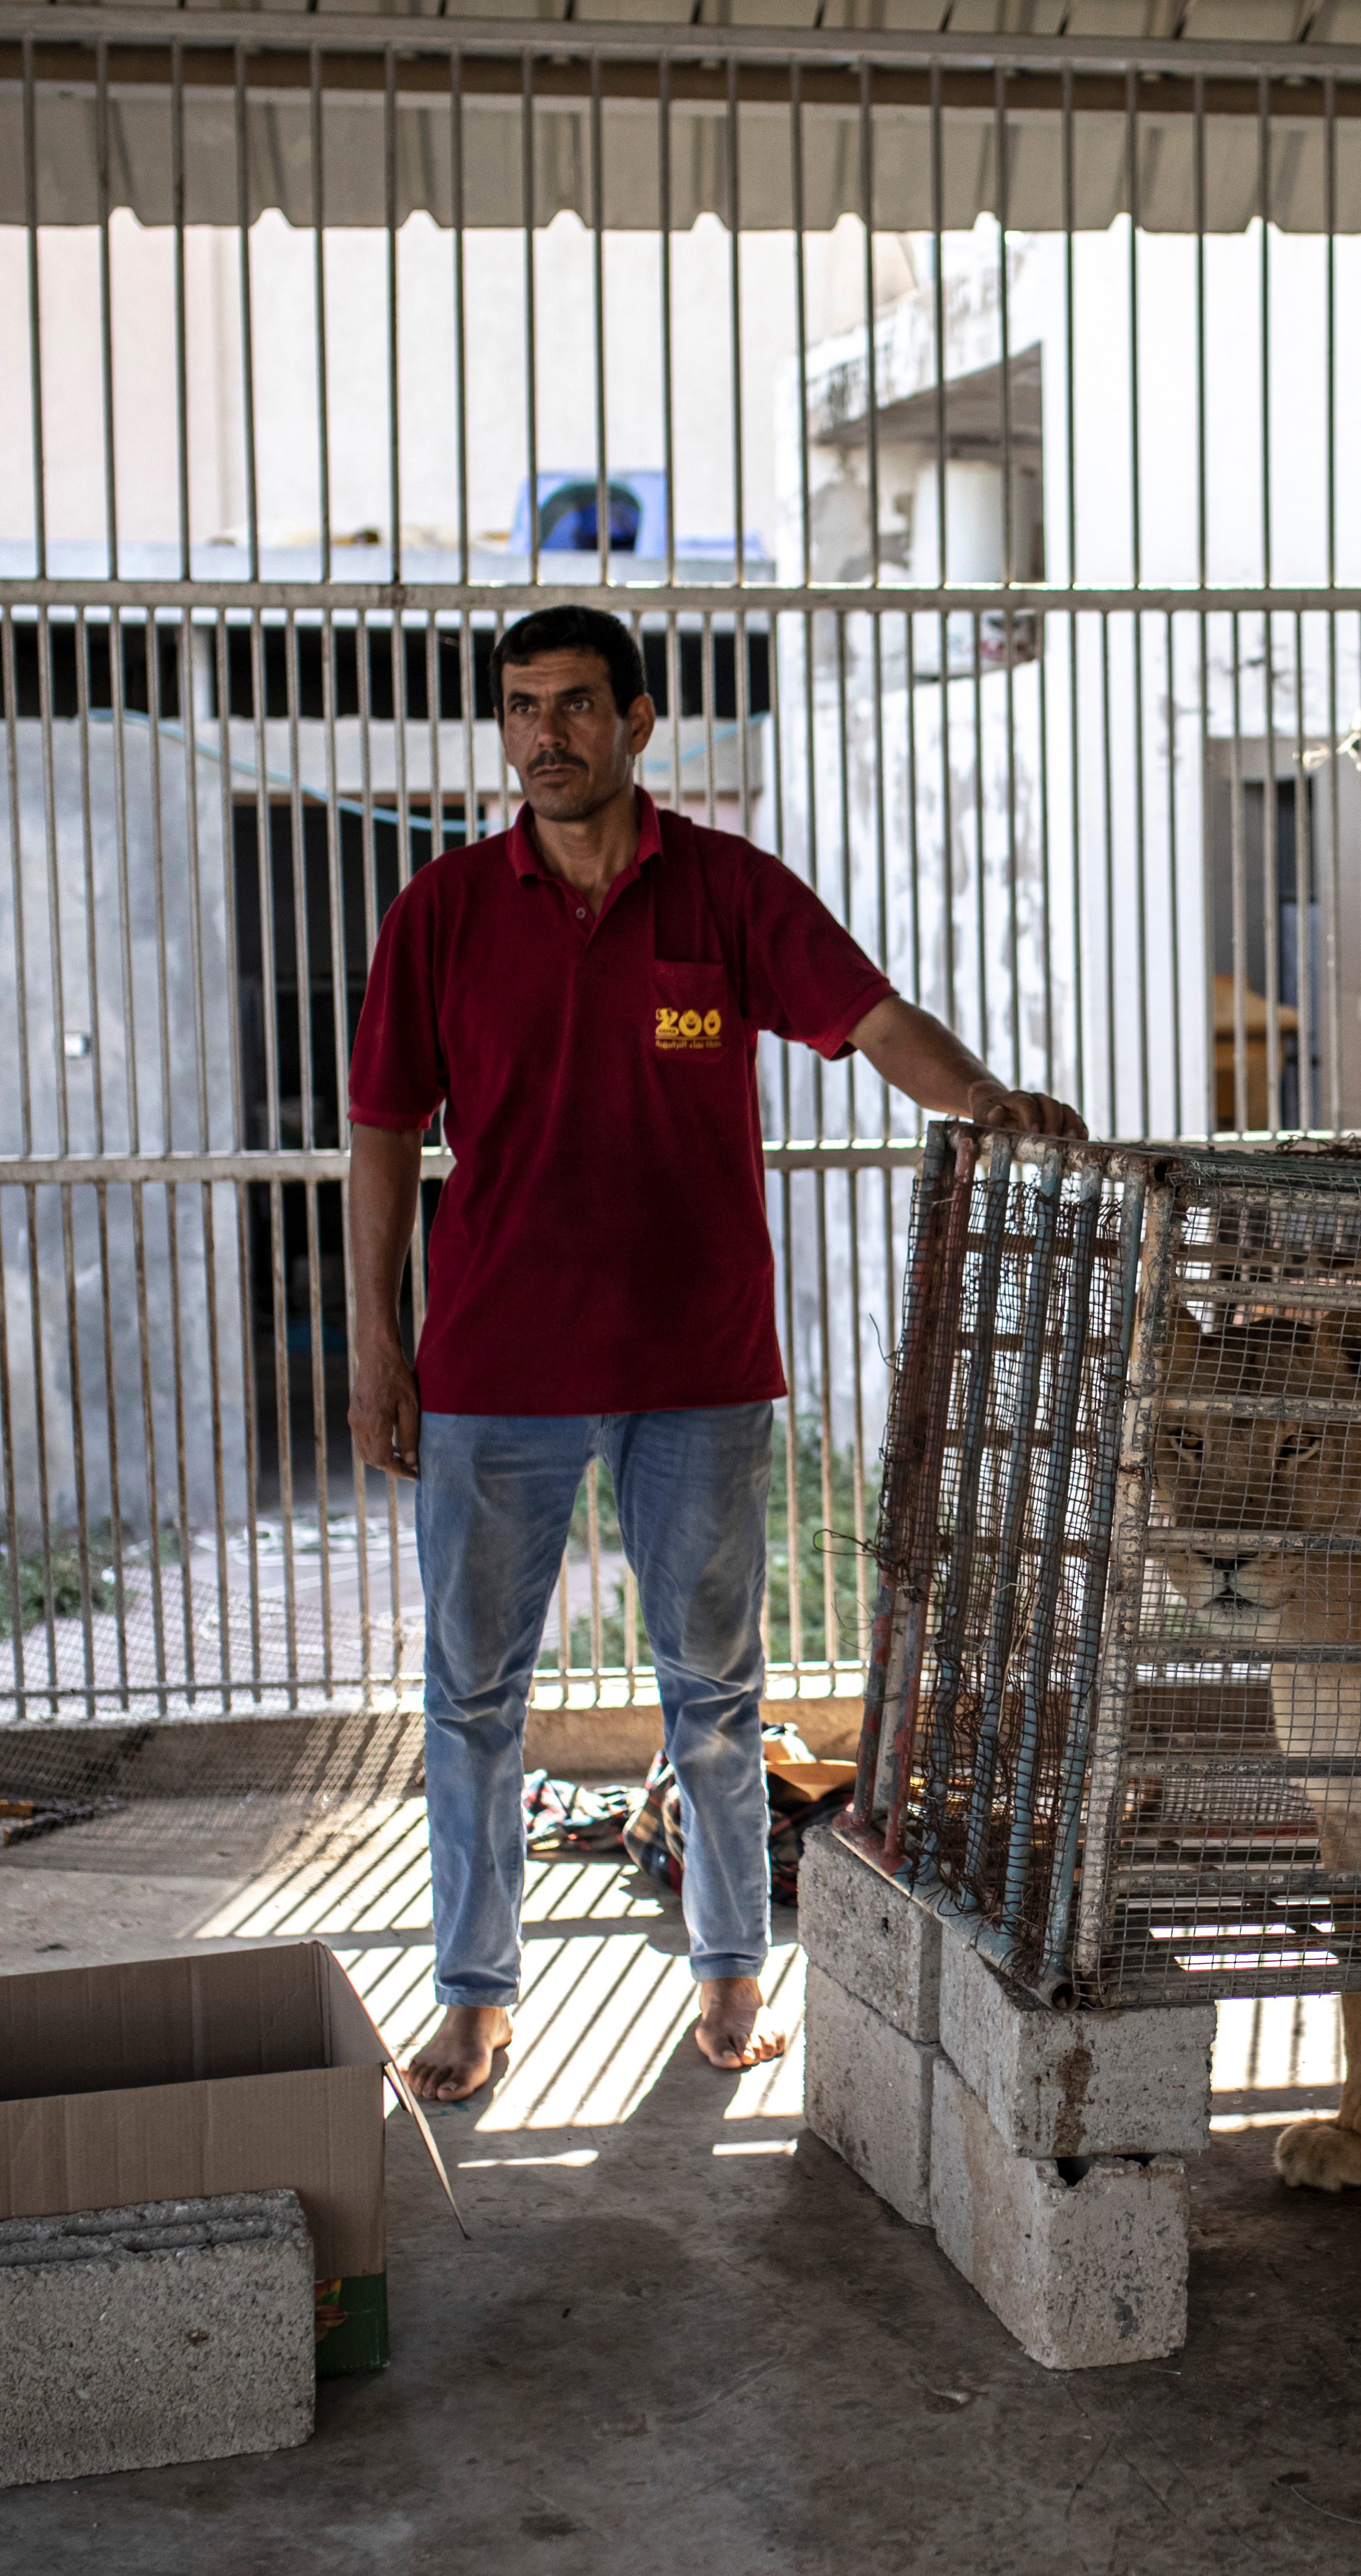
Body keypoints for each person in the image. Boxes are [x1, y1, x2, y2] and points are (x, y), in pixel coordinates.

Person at [343, 604, 1080, 2100]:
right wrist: (377, 1337)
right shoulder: (442, 913)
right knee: (475, 1696)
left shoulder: (728, 895)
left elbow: (874, 1022)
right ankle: (477, 1996)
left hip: (699, 1368)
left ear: (639, 721)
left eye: (573, 707)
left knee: (715, 1692)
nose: (542, 735)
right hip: (494, 1371)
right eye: (519, 707)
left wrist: (990, 1100)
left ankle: (735, 1972)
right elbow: (377, 1129)